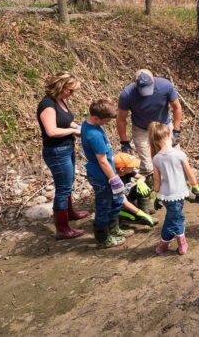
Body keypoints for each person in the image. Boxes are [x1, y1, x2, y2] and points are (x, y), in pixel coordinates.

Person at [117, 69, 183, 213]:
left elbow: (177, 108)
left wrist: (176, 131)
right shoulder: (127, 94)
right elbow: (121, 119)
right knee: (147, 166)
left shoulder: (165, 86)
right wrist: (125, 142)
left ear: (154, 80)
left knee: (174, 158)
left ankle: (176, 190)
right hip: (141, 129)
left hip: (163, 126)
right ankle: (146, 198)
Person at [37, 72, 88, 240]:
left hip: (66, 147)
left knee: (68, 182)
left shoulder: (60, 101)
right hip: (56, 151)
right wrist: (74, 131)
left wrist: (79, 127)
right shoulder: (47, 105)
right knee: (63, 188)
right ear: (60, 86)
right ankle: (62, 228)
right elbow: (51, 131)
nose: (71, 94)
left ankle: (70, 213)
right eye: (70, 90)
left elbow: (66, 120)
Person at [81, 98, 132, 248]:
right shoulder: (94, 134)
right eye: (106, 121)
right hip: (102, 176)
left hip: (108, 173)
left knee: (116, 201)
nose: (107, 123)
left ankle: (114, 229)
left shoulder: (91, 124)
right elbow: (102, 160)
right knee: (104, 205)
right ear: (96, 118)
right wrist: (114, 179)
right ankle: (103, 238)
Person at [149, 122, 199, 255]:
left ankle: (164, 244)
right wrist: (196, 188)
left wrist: (155, 196)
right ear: (170, 135)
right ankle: (178, 244)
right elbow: (190, 174)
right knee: (177, 219)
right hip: (178, 194)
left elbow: (157, 180)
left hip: (165, 195)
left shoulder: (156, 158)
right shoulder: (179, 154)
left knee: (171, 217)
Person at [113, 153, 158, 227]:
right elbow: (124, 202)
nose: (133, 167)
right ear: (122, 169)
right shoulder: (116, 180)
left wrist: (141, 181)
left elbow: (142, 177)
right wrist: (141, 214)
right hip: (118, 205)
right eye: (131, 165)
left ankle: (145, 212)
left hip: (126, 196)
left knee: (142, 187)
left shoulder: (128, 172)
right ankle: (126, 219)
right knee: (134, 217)